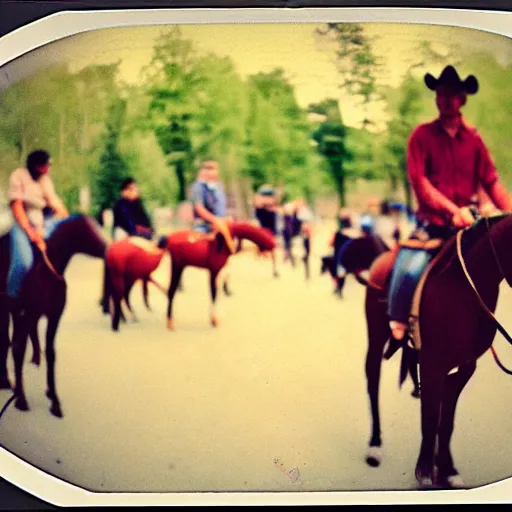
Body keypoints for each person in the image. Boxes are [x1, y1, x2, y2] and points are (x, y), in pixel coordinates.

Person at [387, 65, 512, 342]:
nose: (446, 98)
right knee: (409, 268)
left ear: (463, 99)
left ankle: (478, 332)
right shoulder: (421, 136)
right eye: (441, 93)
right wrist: (452, 211)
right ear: (436, 98)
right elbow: (420, 182)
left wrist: (510, 212)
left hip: (469, 225)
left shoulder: (474, 141)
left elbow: (491, 181)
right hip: (434, 225)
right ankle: (397, 320)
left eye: (453, 93)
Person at [6, 149, 69, 299]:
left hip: (41, 223)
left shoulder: (45, 180)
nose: (47, 168)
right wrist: (30, 232)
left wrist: (64, 216)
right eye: (45, 165)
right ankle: (11, 296)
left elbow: (54, 201)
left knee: (55, 256)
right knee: (24, 262)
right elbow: (17, 206)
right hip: (21, 223)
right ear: (36, 165)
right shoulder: (19, 175)